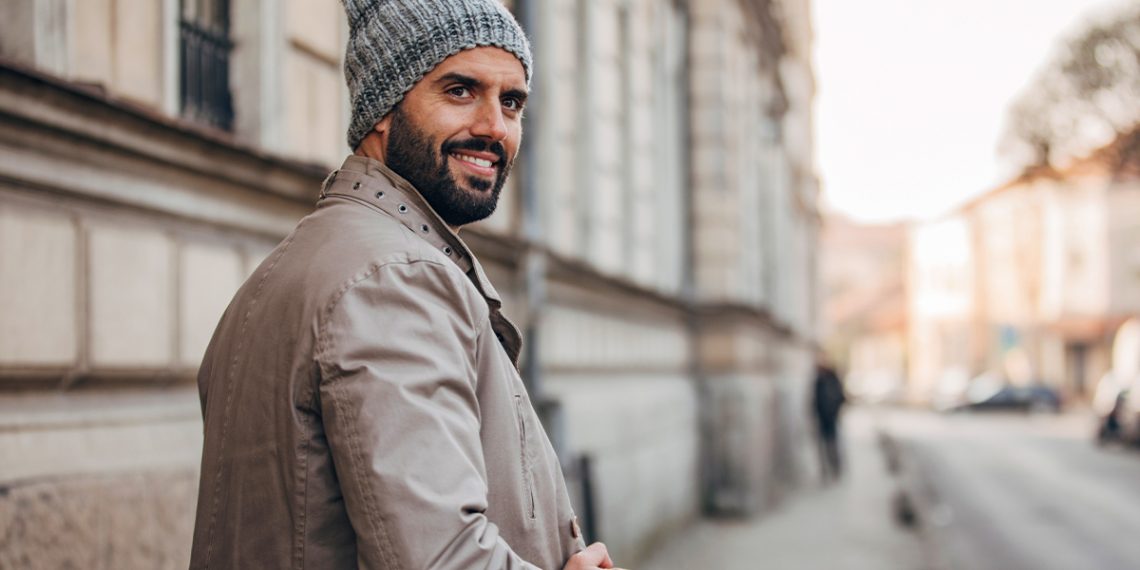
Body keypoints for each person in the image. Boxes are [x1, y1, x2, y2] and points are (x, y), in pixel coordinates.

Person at [189, 2, 615, 568]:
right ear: (382, 110)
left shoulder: (295, 268)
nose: (494, 127)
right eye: (460, 90)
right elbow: (440, 556)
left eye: (511, 101)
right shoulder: (394, 280)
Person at [812, 357, 847, 482]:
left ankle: (835, 469)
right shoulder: (818, 381)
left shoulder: (832, 379)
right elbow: (814, 401)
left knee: (832, 445)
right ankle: (825, 471)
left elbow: (842, 397)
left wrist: (834, 411)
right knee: (822, 446)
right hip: (821, 419)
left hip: (831, 418)